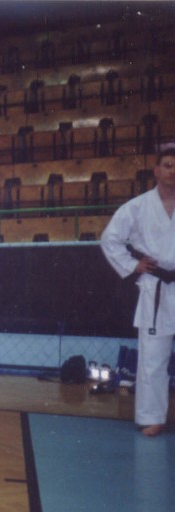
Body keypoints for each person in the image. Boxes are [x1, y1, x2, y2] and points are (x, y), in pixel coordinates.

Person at [101, 148, 175, 437]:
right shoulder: (138, 206)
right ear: (156, 170)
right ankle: (151, 417)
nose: (172, 170)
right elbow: (110, 239)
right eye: (167, 165)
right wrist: (133, 265)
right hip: (156, 286)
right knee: (153, 357)